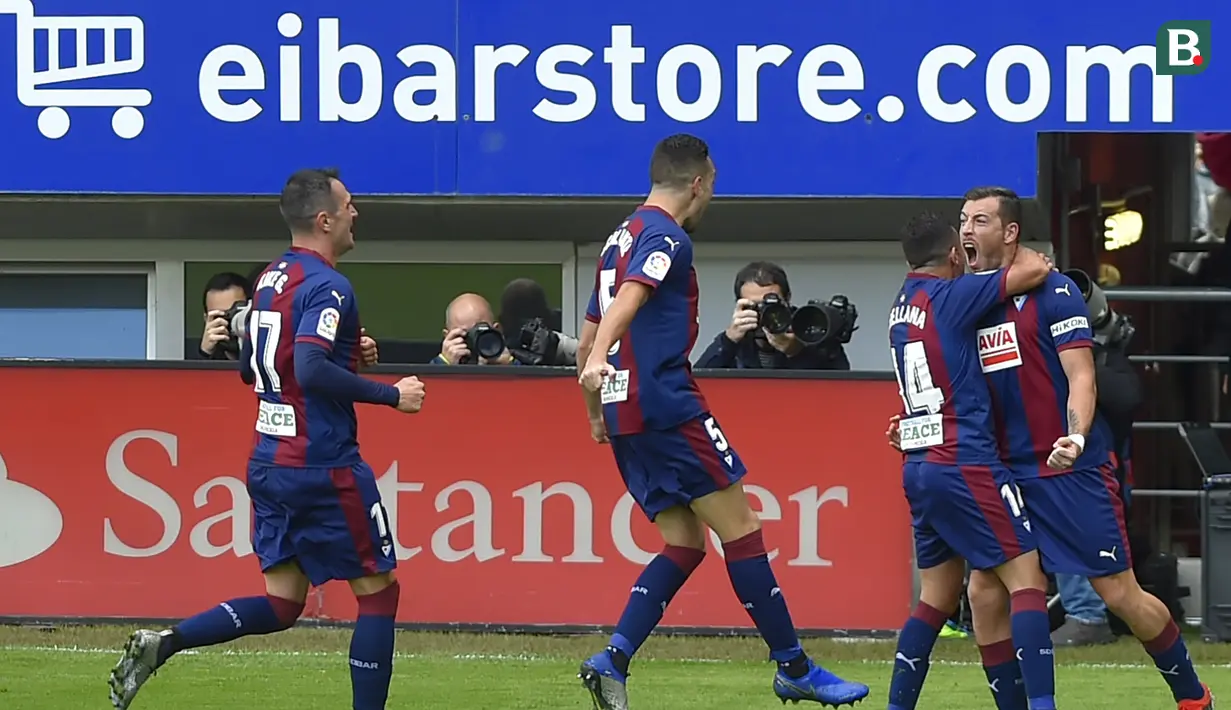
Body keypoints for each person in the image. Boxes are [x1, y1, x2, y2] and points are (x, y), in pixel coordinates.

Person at [107, 168, 427, 710]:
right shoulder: (329, 285)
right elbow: (308, 366)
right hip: (322, 464)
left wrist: (350, 355)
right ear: (325, 219)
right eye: (349, 205)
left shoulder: (274, 278)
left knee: (282, 605)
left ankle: (166, 643)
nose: (356, 213)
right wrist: (390, 393)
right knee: (379, 595)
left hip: (269, 462)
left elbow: (257, 370)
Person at [575, 133, 869, 710]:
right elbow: (627, 301)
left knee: (683, 541)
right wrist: (599, 357)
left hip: (625, 411)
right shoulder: (665, 235)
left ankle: (612, 659)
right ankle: (794, 668)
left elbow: (594, 319)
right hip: (666, 402)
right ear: (698, 183)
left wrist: (593, 408)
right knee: (742, 528)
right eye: (712, 186)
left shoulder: (619, 236)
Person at [900, 186, 1213, 710]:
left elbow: (1081, 375)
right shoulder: (969, 297)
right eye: (963, 220)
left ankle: (1192, 696)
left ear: (1010, 231)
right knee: (984, 594)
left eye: (980, 220)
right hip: (1000, 470)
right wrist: (915, 423)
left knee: (1121, 596)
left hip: (1069, 470)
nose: (967, 231)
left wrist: (1077, 433)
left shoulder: (1055, 290)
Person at [884, 211, 1057, 710]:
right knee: (1027, 581)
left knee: (935, 597)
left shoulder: (901, 305)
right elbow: (1035, 270)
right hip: (965, 460)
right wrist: (1009, 241)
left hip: (919, 465)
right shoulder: (952, 296)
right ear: (955, 255)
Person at [695, 261, 851, 370]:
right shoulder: (737, 340)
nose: (765, 313)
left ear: (787, 299)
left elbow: (838, 387)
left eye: (771, 305)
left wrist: (796, 352)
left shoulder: (809, 330)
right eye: (756, 306)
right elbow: (698, 382)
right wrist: (728, 340)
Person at [432, 292, 516, 365]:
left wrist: (510, 366)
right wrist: (443, 363)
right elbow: (426, 382)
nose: (474, 341)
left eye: (479, 333)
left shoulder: (508, 364)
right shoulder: (433, 372)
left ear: (497, 331)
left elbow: (527, 382)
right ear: (447, 337)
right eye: (465, 334)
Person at [196, 271, 252, 360]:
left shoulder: (265, 355)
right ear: (206, 319)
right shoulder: (205, 358)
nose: (229, 322)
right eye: (220, 316)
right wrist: (204, 355)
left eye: (235, 314)